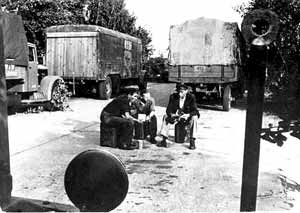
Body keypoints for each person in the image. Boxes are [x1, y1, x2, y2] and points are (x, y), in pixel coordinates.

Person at [157, 83, 200, 149]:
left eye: (182, 92)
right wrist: (172, 115)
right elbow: (168, 110)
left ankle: (192, 140)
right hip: (176, 116)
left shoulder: (191, 97)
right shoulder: (173, 96)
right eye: (179, 92)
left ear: (186, 91)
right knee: (165, 116)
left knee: (194, 117)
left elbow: (196, 111)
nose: (180, 94)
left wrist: (188, 115)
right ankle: (164, 139)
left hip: (186, 117)